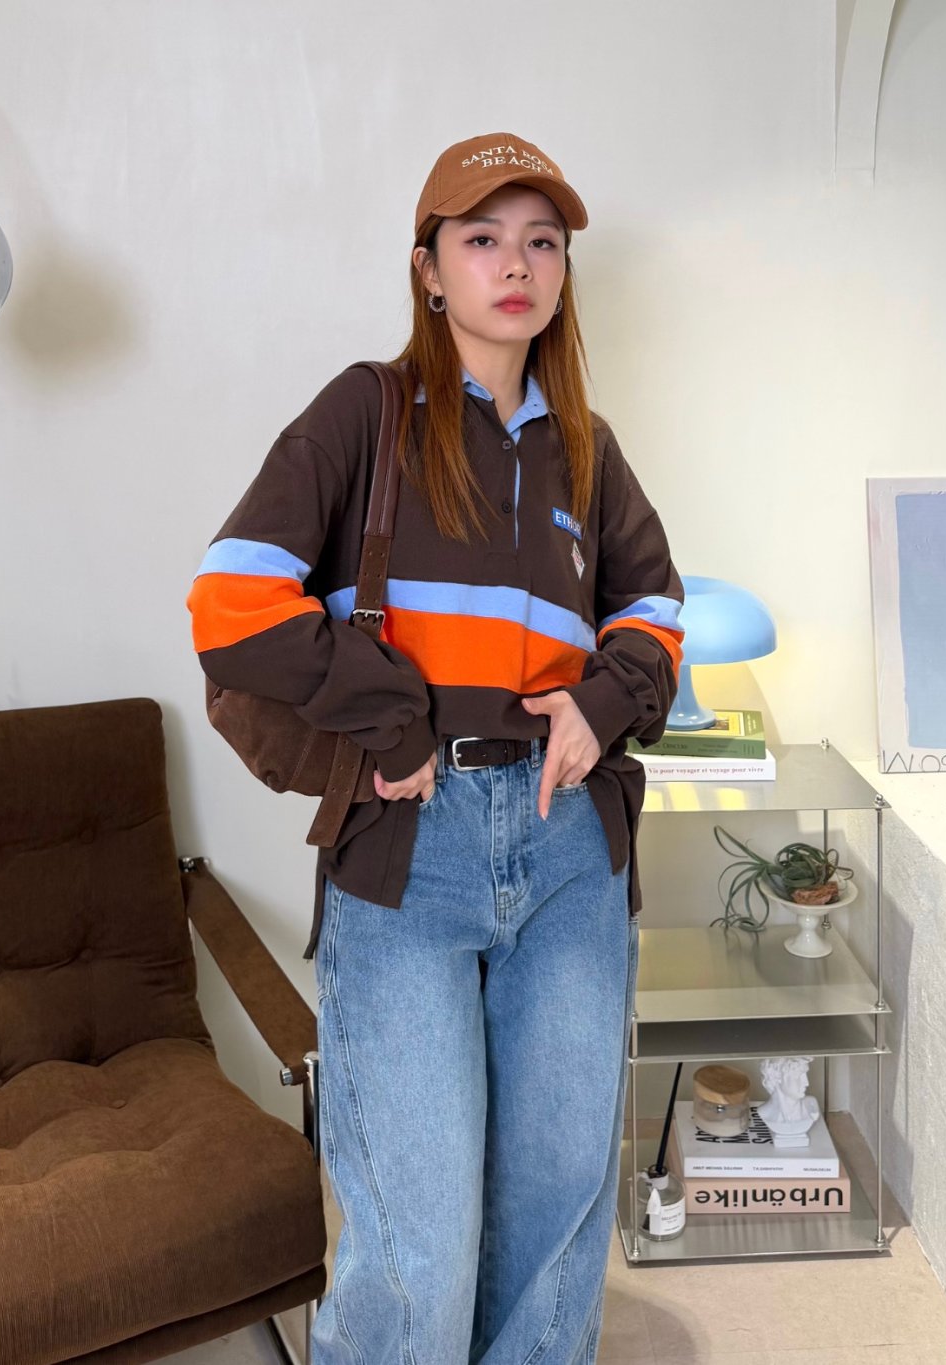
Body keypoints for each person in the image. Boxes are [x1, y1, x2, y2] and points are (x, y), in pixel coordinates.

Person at [187, 130, 684, 1364]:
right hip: (410, 851)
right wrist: (391, 715)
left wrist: (602, 702)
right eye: (481, 239)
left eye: (541, 243)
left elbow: (655, 610)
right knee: (418, 1247)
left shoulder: (587, 447)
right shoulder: (367, 412)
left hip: (568, 852)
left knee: (555, 1220)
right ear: (427, 268)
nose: (514, 265)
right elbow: (231, 604)